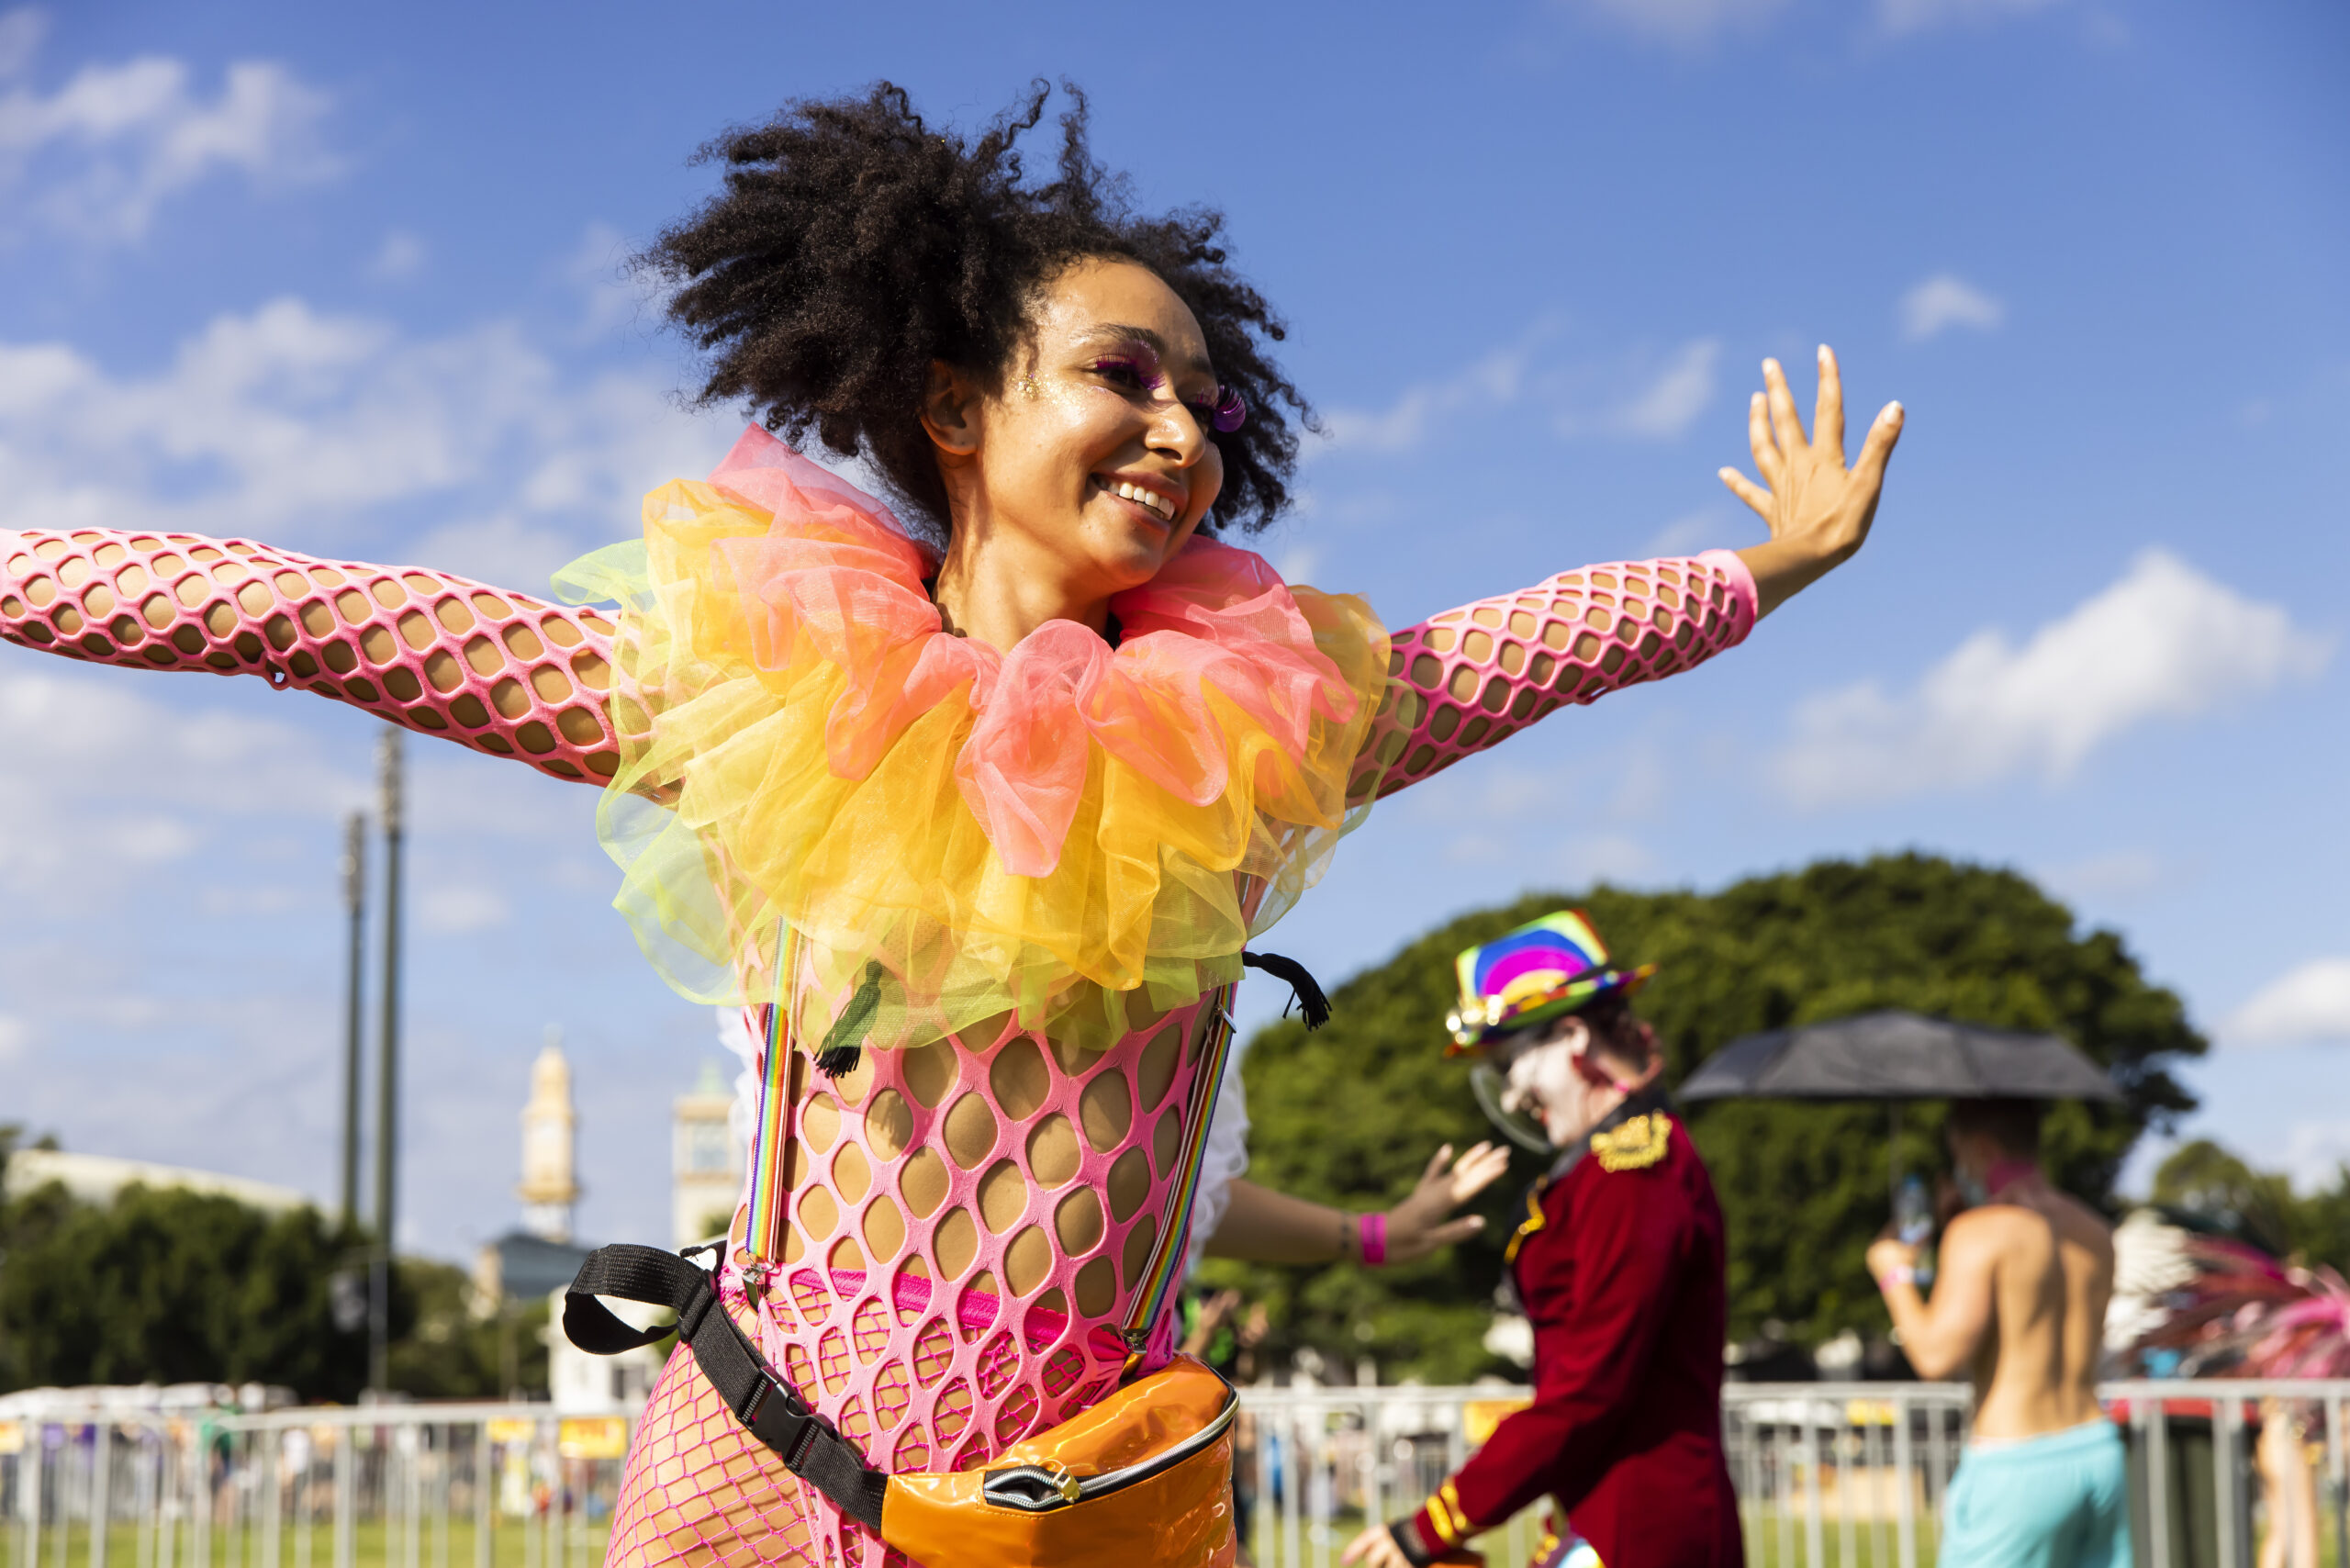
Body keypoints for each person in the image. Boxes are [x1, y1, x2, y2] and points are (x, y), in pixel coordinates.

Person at [0, 84, 1902, 1568]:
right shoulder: (762, 692)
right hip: (753, 1481)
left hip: (1073, 1510)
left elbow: (1539, 647)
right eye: (1121, 373)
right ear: (954, 405)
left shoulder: (1256, 731)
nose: (1180, 428)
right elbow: (301, 618)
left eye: (1205, 397)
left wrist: (1772, 567)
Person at [1345, 911, 1740, 1568]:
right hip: (1609, 1515)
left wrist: (1431, 1527)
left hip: (1645, 1526)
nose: (1510, 1091)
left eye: (1512, 1062)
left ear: (1572, 1037)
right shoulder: (1610, 1169)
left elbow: (1589, 1390)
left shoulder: (1635, 1173)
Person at [1865, 1098, 2125, 1568]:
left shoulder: (1981, 1232)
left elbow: (1936, 1358)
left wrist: (1891, 1273)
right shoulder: (2093, 1230)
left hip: (2018, 1463)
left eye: (1958, 1155)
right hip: (2096, 1450)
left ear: (1980, 1149)